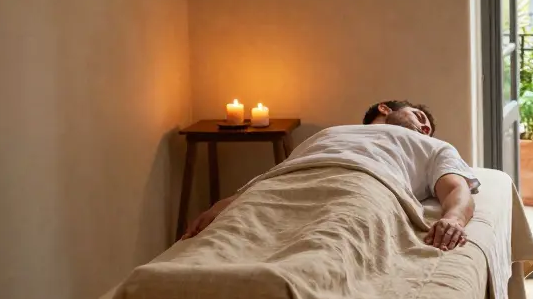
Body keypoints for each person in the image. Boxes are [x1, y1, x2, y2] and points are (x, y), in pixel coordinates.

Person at [182, 99, 473, 250]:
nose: (424, 128)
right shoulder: (331, 134)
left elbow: (455, 189)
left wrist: (453, 218)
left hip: (365, 185)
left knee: (328, 242)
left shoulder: (432, 145)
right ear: (385, 109)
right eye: (419, 117)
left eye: (427, 129)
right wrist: (225, 205)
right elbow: (280, 172)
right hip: (288, 185)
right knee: (227, 239)